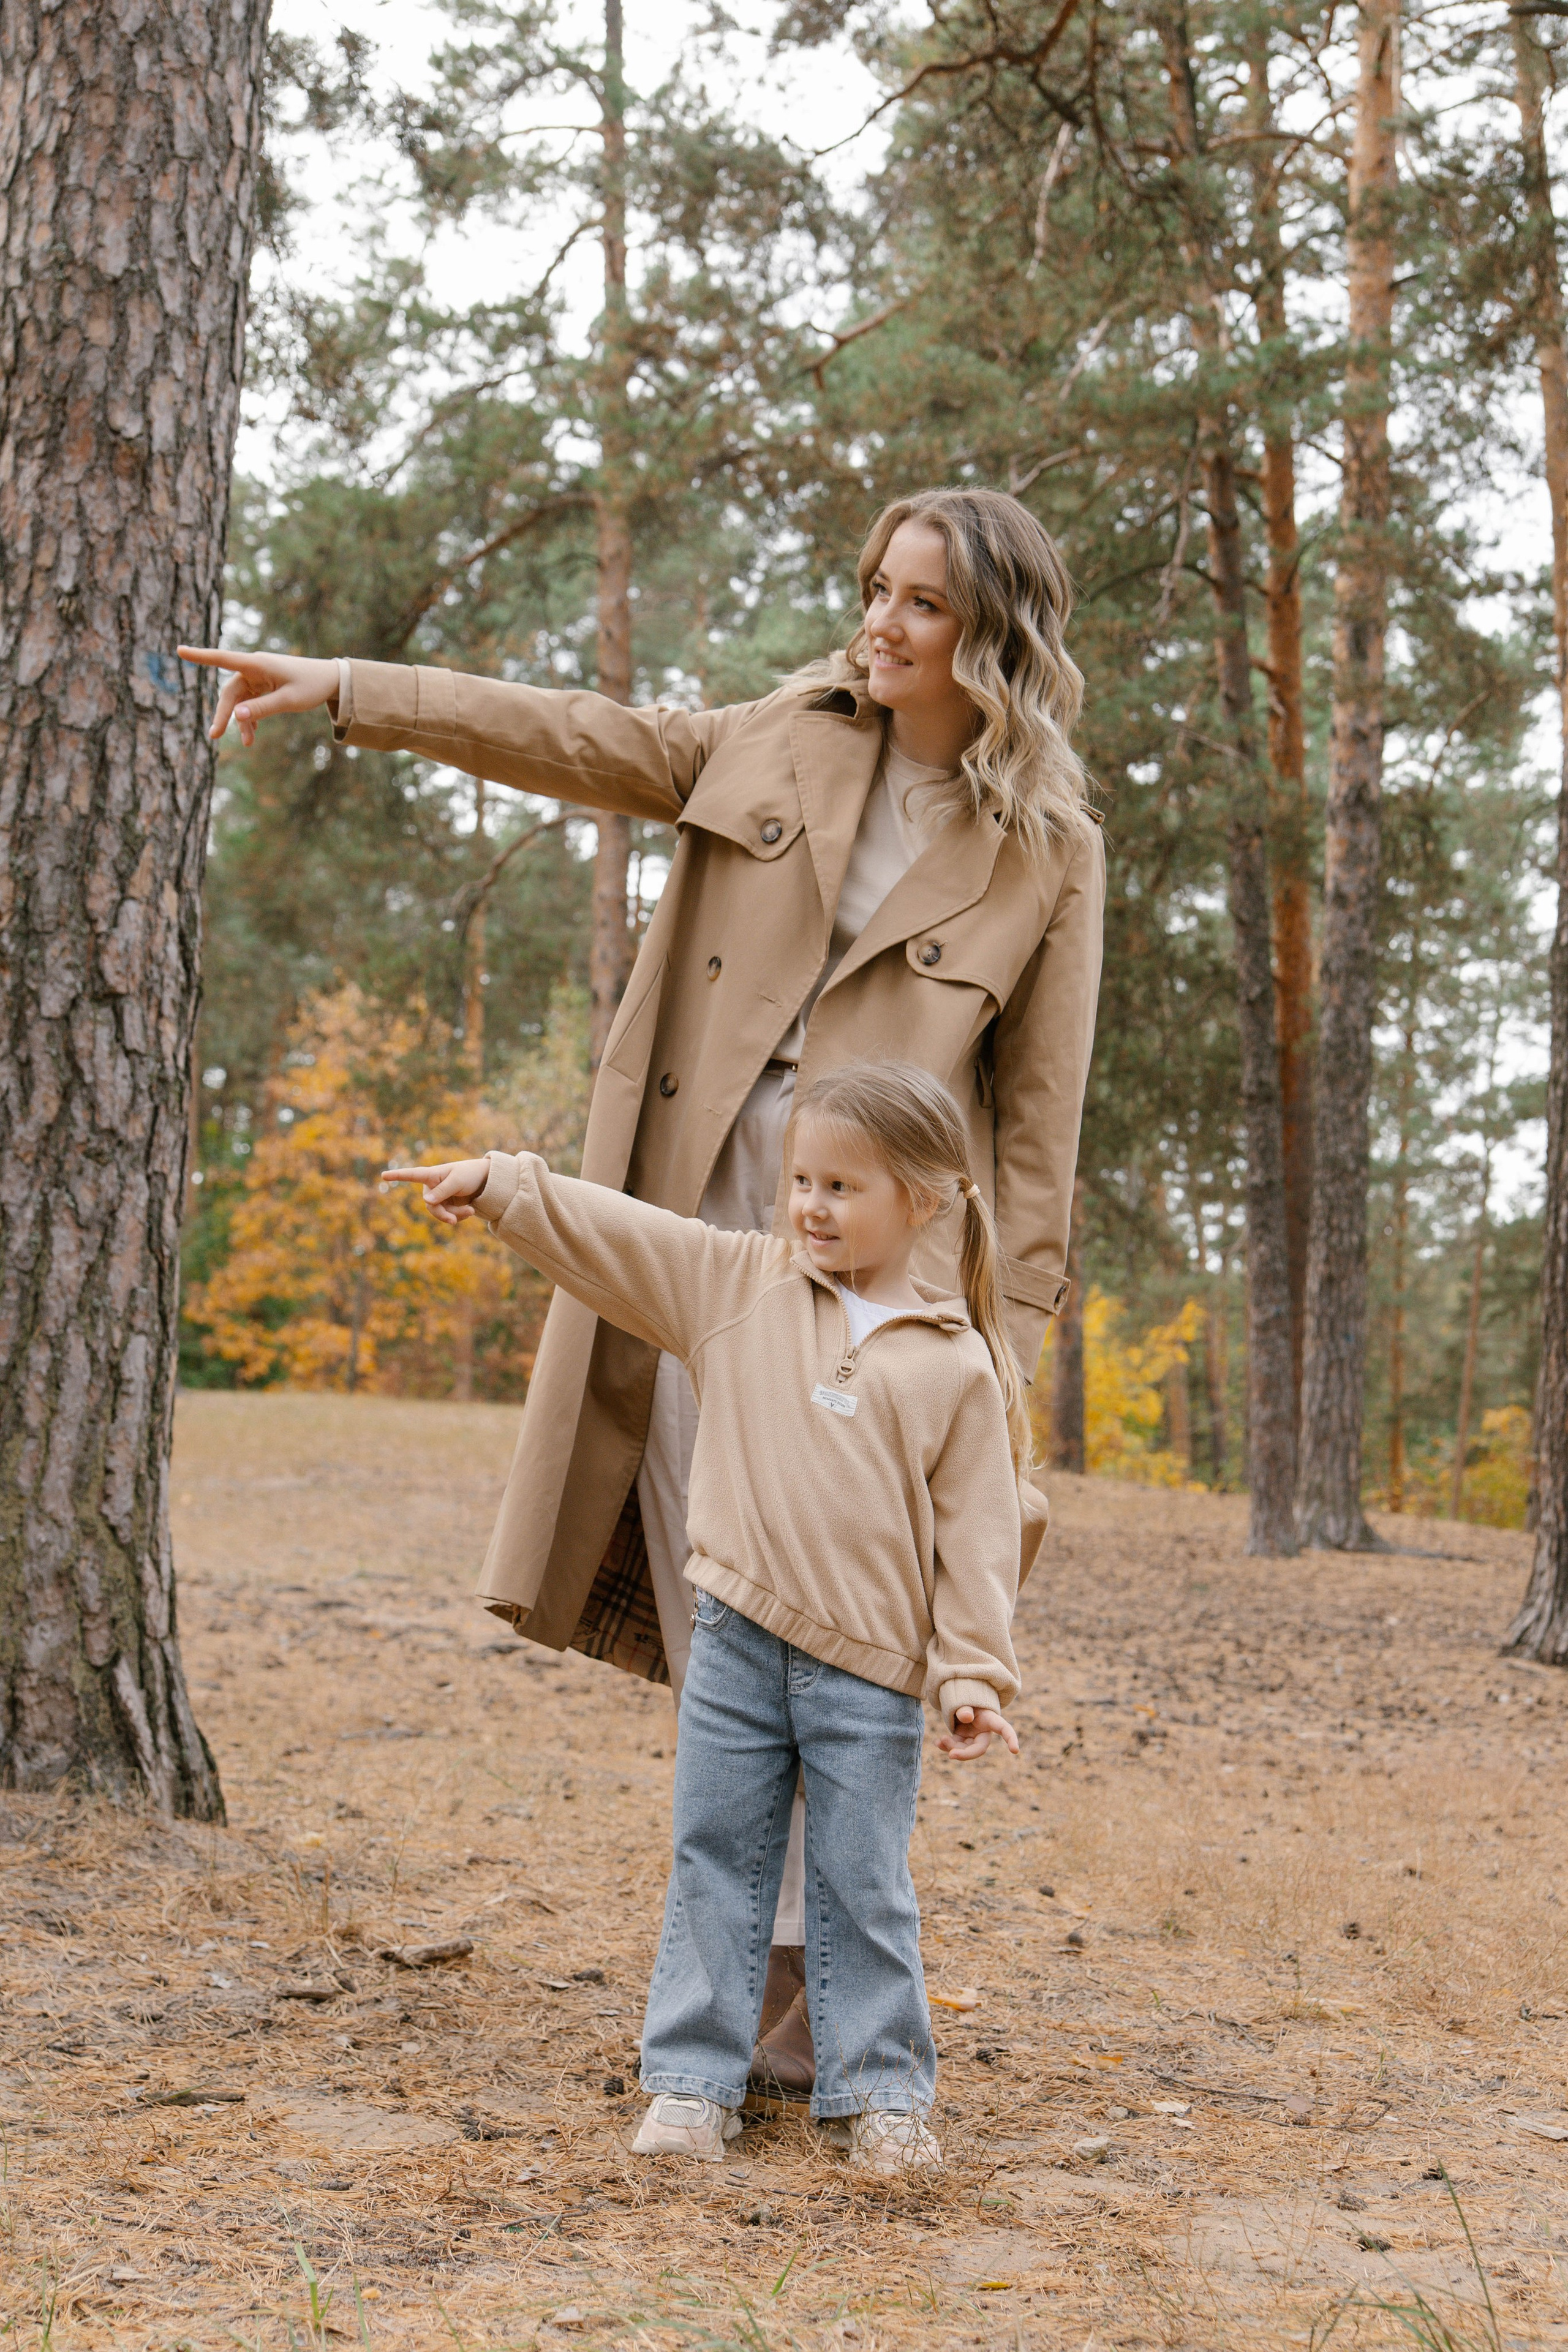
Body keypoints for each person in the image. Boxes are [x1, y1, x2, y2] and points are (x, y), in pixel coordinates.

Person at [179, 484, 1104, 2095]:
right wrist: (352, 689)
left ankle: (799, 1979)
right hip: (701, 1247)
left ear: (997, 641)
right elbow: (577, 735)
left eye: (924, 606)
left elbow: (1036, 1147)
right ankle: (766, 1986)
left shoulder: (1049, 854)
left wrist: (997, 1375)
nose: (880, 625)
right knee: (734, 1601)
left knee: (864, 1630)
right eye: (876, 589)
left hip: (889, 1296)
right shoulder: (776, 737)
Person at [383, 1060, 1035, 2174]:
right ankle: (690, 2085)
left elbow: (978, 1534)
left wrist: (972, 1672)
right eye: (802, 1181)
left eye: (843, 1187)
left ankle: (880, 2094)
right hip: (735, 1641)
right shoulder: (740, 1287)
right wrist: (502, 1183)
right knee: (715, 1862)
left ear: (921, 1200)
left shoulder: (957, 1361)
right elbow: (621, 1235)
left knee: (862, 1884)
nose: (811, 1207)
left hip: (870, 1672)